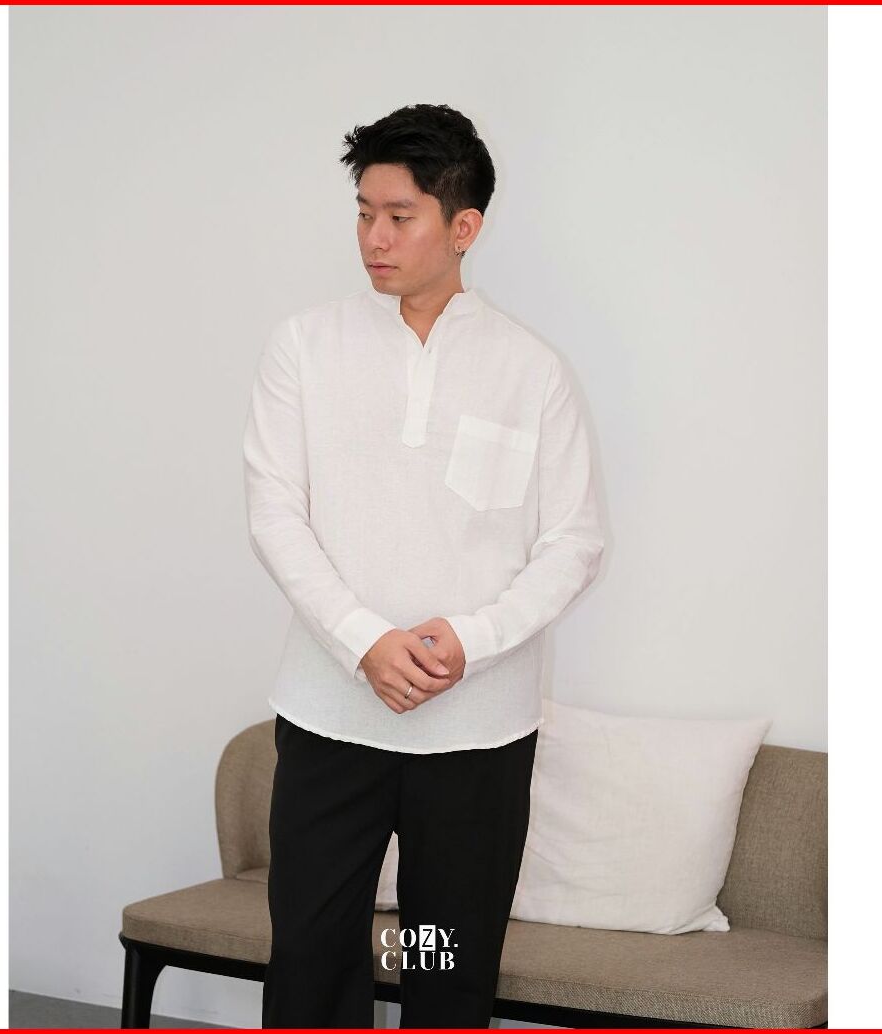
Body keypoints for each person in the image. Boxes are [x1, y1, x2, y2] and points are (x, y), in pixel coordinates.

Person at [242, 102, 605, 1028]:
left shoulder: (531, 370)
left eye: (399, 216)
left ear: (463, 226)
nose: (374, 237)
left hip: (477, 731)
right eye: (364, 212)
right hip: (330, 714)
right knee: (313, 954)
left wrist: (470, 640)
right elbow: (276, 513)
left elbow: (574, 541)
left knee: (445, 963)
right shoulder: (305, 347)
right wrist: (364, 640)